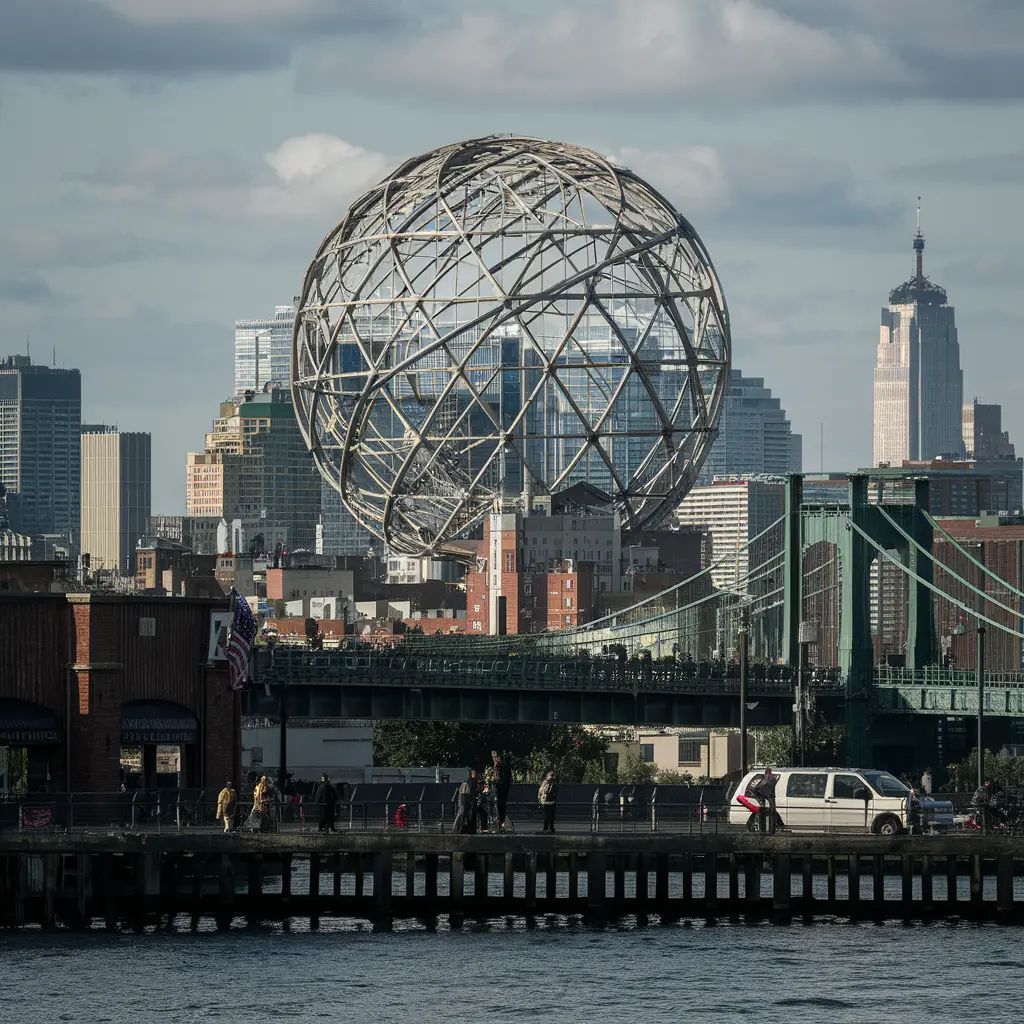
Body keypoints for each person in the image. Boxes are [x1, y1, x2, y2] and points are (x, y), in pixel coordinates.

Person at [452, 770, 478, 834]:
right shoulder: (468, 783)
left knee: (464, 812)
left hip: (467, 798)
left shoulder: (471, 781)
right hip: (465, 798)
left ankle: (460, 828)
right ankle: (457, 828)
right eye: (473, 773)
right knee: (462, 812)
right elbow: (466, 793)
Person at [754, 767, 778, 834]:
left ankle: (762, 830)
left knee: (762, 813)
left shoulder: (765, 777)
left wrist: (757, 790)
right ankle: (772, 830)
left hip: (763, 797)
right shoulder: (773, 778)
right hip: (772, 797)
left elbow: (761, 785)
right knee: (772, 814)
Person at [492, 751, 512, 831]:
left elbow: (505, 780)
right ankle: (499, 823)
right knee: (498, 806)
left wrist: (497, 784)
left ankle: (501, 824)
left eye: (496, 757)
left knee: (500, 806)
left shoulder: (503, 767)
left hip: (501, 789)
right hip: (497, 788)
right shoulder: (496, 767)